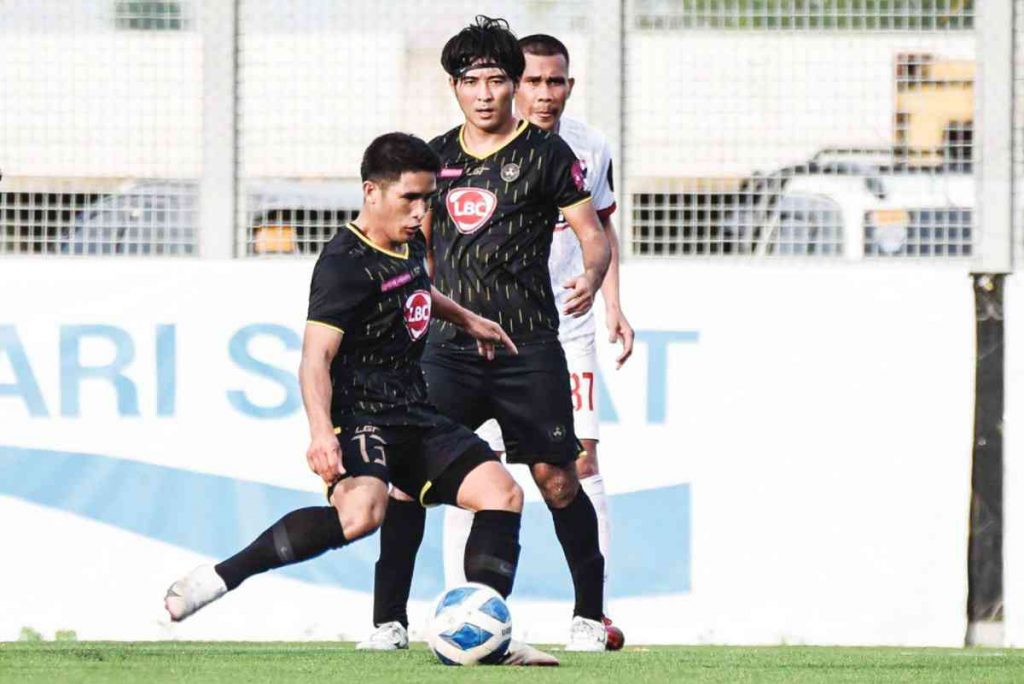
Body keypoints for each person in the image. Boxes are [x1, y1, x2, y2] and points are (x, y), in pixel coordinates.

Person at [162, 132, 556, 666]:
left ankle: (483, 634)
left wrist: (466, 317)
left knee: (502, 494)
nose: (421, 213)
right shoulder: (343, 263)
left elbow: (415, 287)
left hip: (414, 412)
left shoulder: (409, 239)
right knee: (361, 515)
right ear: (372, 192)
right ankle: (219, 577)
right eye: (409, 199)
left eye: (427, 199)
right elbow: (314, 358)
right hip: (362, 418)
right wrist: (322, 433)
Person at [359, 16, 612, 653]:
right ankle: (389, 621)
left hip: (527, 346)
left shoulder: (548, 154)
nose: (484, 92)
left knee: (558, 476)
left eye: (497, 79)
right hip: (447, 351)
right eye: (470, 80)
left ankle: (589, 615)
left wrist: (591, 274)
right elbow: (409, 250)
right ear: (454, 87)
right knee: (405, 479)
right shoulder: (434, 160)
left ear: (513, 86)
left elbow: (593, 234)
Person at [440, 32, 633, 650]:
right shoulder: (456, 151)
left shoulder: (582, 147)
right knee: (461, 472)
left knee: (572, 466)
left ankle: (590, 614)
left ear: (569, 86)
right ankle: (461, 608)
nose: (543, 94)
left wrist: (610, 299)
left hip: (554, 330)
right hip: (466, 337)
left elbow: (600, 229)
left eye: (557, 82)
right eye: (533, 81)